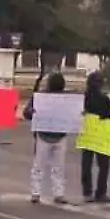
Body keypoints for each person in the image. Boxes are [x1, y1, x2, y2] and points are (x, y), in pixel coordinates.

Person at [23, 72, 69, 204]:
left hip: (59, 135)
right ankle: (37, 192)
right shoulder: (40, 97)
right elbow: (26, 112)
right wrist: (31, 112)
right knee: (42, 165)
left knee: (56, 166)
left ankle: (57, 193)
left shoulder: (67, 99)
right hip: (44, 135)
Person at [81, 70, 110, 203]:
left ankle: (87, 192)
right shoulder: (104, 99)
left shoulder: (84, 98)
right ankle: (100, 192)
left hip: (88, 133)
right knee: (104, 165)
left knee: (87, 164)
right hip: (102, 134)